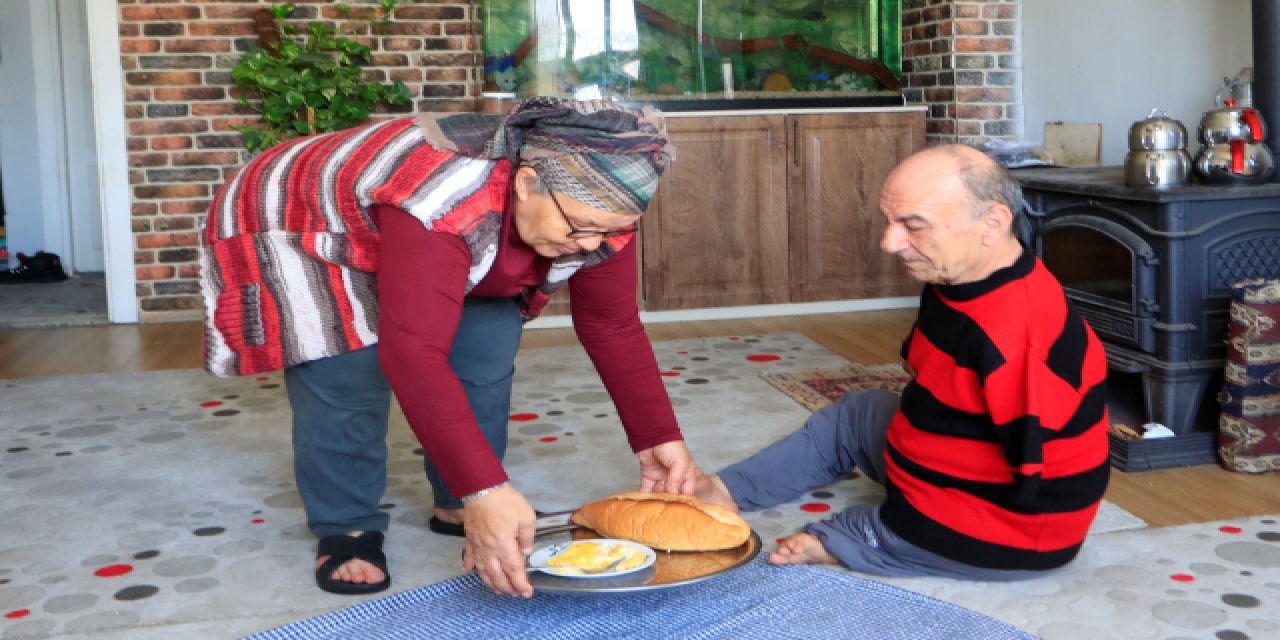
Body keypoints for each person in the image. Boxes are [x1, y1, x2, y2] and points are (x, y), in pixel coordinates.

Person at [200, 97, 704, 598]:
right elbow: (412, 353)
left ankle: (454, 501)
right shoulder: (443, 194)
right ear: (528, 184)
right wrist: (488, 488)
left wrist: (657, 435)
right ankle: (346, 524)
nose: (594, 246)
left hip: (450, 230)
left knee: (485, 355)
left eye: (612, 231)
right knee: (348, 372)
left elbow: (611, 324)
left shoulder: (601, 204)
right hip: (312, 223)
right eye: (581, 229)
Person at [694, 144, 1111, 580]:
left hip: (1010, 534)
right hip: (937, 461)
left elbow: (1045, 488)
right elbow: (927, 378)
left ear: (993, 223)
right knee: (857, 413)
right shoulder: (955, 276)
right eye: (890, 222)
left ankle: (870, 542)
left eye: (913, 226)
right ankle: (724, 490)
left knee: (845, 529)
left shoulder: (1018, 336)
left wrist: (907, 515)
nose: (890, 243)